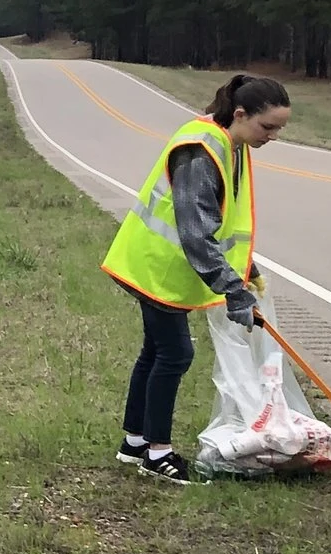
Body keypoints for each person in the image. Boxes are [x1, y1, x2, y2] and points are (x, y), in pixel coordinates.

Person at [99, 74, 292, 483]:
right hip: (157, 266)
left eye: (279, 129)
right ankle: (158, 453)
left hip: (162, 266)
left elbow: (223, 220)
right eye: (268, 127)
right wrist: (233, 291)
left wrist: (246, 267)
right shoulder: (201, 151)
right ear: (240, 114)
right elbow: (195, 232)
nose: (273, 136)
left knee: (156, 351)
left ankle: (135, 443)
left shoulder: (231, 143)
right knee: (175, 354)